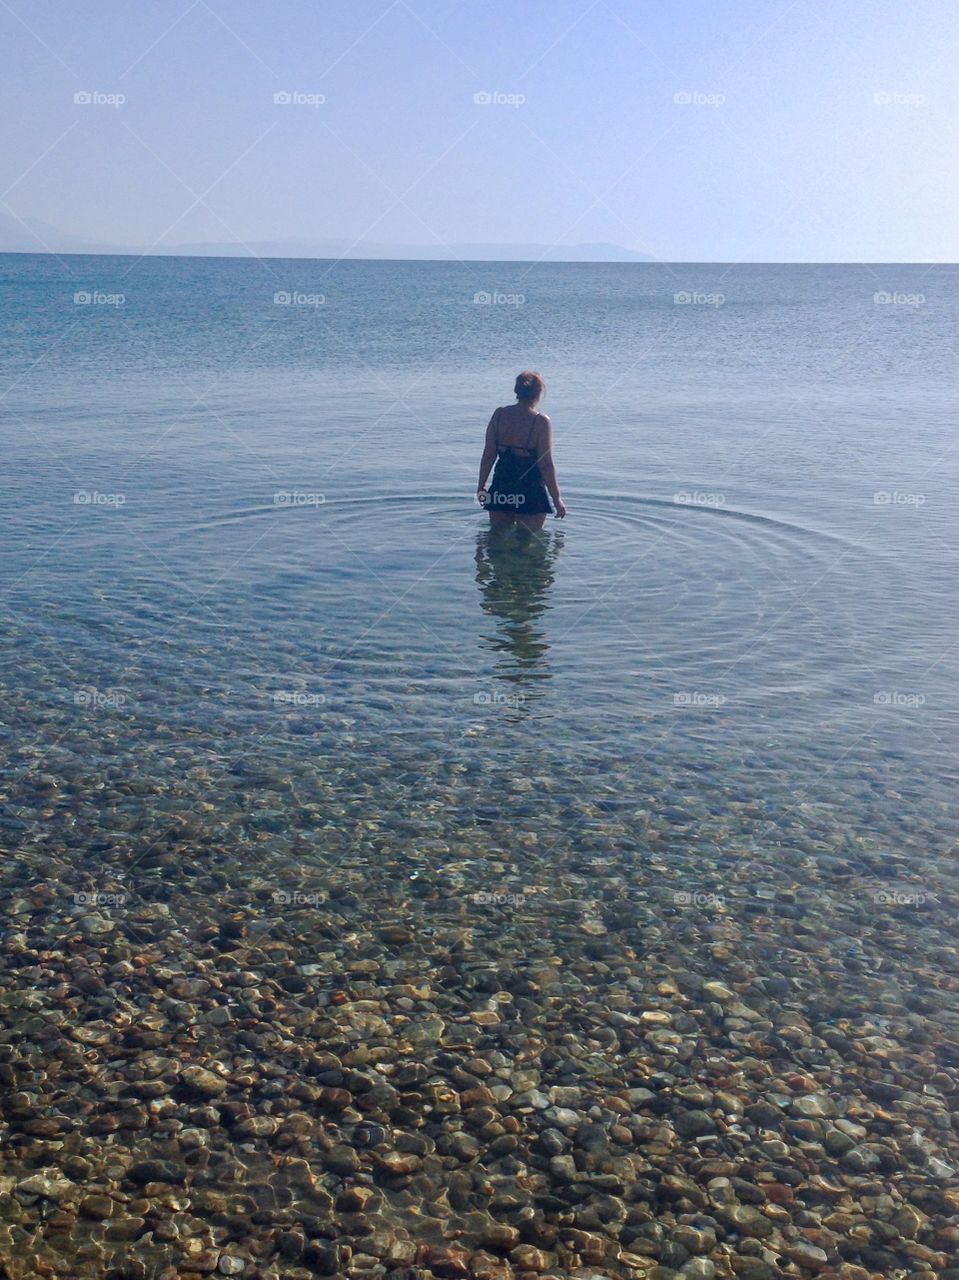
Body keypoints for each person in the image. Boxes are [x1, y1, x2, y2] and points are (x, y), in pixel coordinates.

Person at [477, 371, 566, 531]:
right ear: (539, 393)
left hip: (502, 484)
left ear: (516, 391)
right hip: (530, 488)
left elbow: (489, 455)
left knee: (496, 539)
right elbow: (546, 464)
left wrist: (481, 486)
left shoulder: (499, 414)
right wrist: (557, 499)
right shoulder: (541, 422)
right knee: (528, 544)